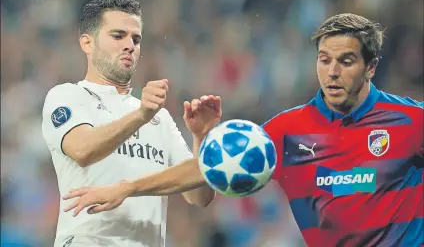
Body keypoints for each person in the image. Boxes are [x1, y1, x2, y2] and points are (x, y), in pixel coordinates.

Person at [63, 13, 423, 247]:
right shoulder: (288, 129)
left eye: (346, 62)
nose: (331, 72)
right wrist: (128, 188)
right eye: (324, 60)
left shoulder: (411, 122)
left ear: (371, 67)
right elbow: (208, 170)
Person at [42, 0, 220, 247]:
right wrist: (141, 116)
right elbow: (82, 150)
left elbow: (199, 196)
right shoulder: (68, 96)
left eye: (136, 39)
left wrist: (201, 138)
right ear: (87, 42)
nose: (129, 45)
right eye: (118, 36)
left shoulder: (159, 117)